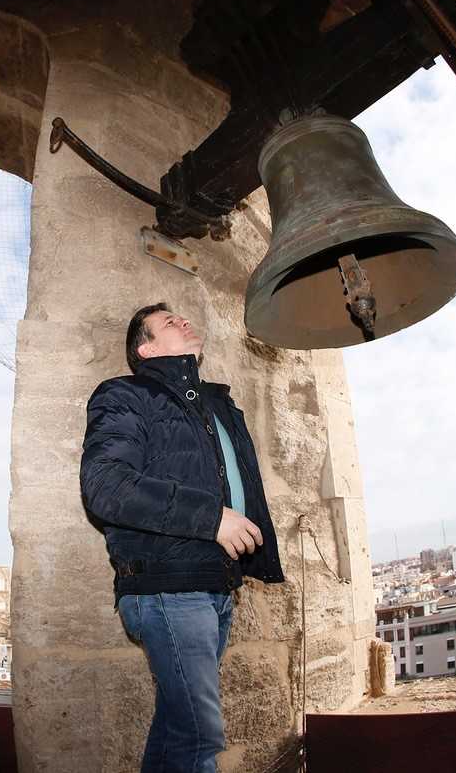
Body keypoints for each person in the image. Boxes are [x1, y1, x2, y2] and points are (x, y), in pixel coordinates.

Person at [80, 303, 285, 773]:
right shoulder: (125, 394)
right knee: (199, 738)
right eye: (169, 322)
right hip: (168, 588)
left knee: (178, 728)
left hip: (214, 585)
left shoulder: (217, 407)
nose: (184, 320)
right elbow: (105, 485)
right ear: (145, 348)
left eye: (183, 317)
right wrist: (212, 519)